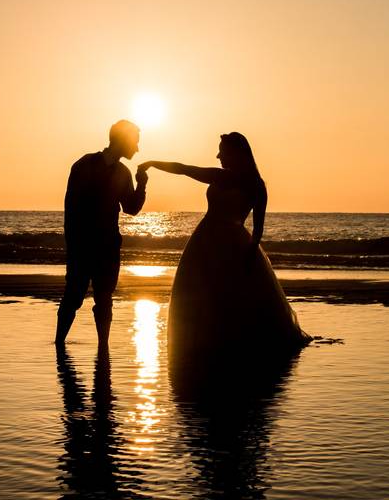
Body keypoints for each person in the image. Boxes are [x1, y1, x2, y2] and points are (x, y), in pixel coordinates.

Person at [138, 132, 310, 363]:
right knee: (203, 293)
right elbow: (183, 168)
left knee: (231, 296)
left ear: (237, 153)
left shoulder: (257, 186)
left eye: (222, 150)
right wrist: (152, 164)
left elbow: (258, 229)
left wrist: (250, 255)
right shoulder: (218, 176)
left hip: (234, 246)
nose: (218, 155)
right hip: (205, 244)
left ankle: (233, 344)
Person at [55, 120, 148, 346]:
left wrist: (141, 186)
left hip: (108, 246)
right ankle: (59, 344)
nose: (137, 148)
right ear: (123, 140)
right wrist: (74, 245)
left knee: (104, 299)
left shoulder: (123, 173)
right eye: (135, 141)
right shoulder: (84, 165)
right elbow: (72, 208)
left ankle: (103, 348)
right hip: (83, 246)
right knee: (74, 296)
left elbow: (131, 208)